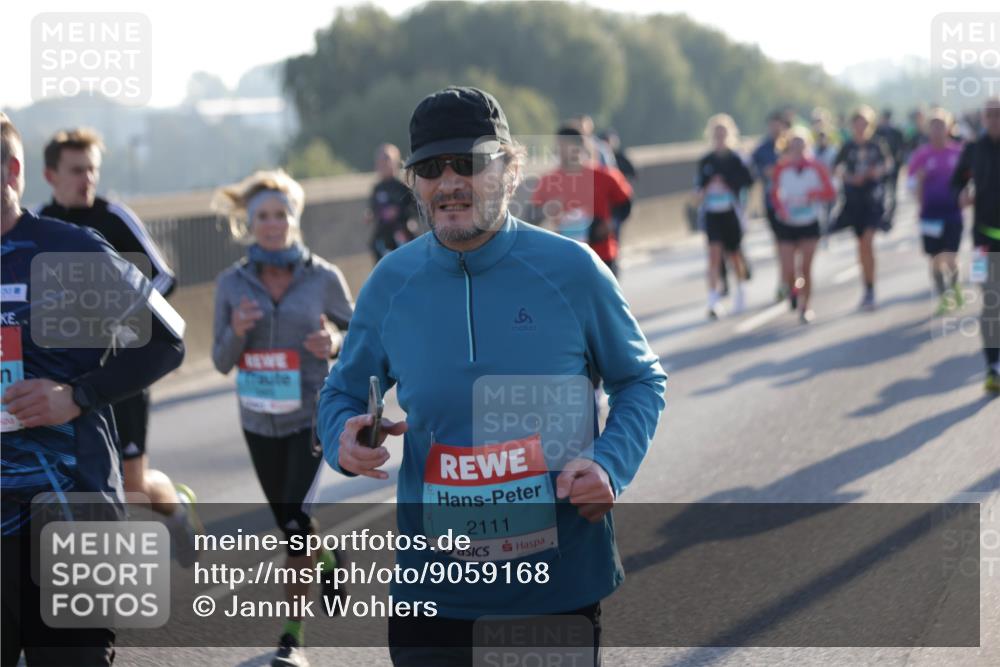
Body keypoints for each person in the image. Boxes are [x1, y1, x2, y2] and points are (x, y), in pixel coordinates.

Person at [317, 86, 667, 666]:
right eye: (431, 168)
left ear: (510, 168)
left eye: (471, 163)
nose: (449, 182)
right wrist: (341, 437)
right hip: (432, 593)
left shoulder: (572, 270)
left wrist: (609, 463)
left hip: (554, 585)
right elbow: (342, 393)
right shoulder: (391, 282)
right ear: (413, 182)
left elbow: (641, 380)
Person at [2, 112, 185, 666]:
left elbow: (167, 340)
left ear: (11, 171)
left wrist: (74, 395)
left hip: (72, 508)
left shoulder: (69, 250)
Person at [211, 169, 354, 666]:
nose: (272, 224)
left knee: (295, 526)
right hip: (257, 422)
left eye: (281, 214)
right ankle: (331, 559)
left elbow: (359, 337)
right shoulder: (232, 283)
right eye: (262, 216)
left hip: (311, 417)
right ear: (249, 223)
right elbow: (220, 361)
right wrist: (236, 330)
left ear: (294, 218)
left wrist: (333, 343)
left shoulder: (323, 277)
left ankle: (291, 639)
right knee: (292, 527)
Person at [34, 128, 200, 548]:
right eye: (76, 170)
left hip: (122, 369)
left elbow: (164, 276)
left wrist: (115, 315)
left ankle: (177, 506)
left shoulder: (114, 218)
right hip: (67, 373)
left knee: (134, 485)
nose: (87, 179)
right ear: (50, 174)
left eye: (92, 170)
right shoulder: (38, 223)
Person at [529, 126, 634, 276]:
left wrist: (611, 224)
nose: (559, 150)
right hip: (567, 256)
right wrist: (547, 209)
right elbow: (530, 217)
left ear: (579, 146)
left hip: (602, 255)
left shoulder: (605, 176)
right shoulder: (548, 180)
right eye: (558, 145)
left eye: (564, 145)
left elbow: (625, 204)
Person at [952, 96, 1000, 395]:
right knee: (991, 300)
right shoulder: (973, 149)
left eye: (999, 115)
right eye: (990, 116)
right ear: (983, 119)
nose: (994, 120)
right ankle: (993, 365)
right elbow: (957, 181)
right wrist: (962, 193)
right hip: (984, 236)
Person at [770, 127, 836, 323]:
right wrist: (781, 208)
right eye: (794, 144)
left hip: (809, 221)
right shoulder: (781, 168)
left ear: (807, 145)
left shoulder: (816, 167)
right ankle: (794, 289)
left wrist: (813, 195)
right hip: (787, 222)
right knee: (789, 269)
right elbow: (774, 194)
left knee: (805, 268)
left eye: (801, 144)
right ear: (788, 146)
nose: (798, 148)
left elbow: (830, 193)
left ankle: (805, 306)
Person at [832, 105, 893, 311]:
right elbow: (836, 169)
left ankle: (871, 287)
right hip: (854, 199)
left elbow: (888, 164)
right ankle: (867, 286)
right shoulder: (847, 146)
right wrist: (850, 177)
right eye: (857, 124)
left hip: (872, 199)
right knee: (861, 246)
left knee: (868, 241)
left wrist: (875, 172)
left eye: (864, 124)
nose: (860, 128)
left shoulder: (877, 145)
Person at [696, 113, 755, 318]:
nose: (720, 137)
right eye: (716, 133)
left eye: (723, 133)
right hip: (712, 213)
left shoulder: (736, 158)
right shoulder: (706, 161)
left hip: (731, 212)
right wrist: (706, 187)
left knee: (734, 254)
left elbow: (748, 181)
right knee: (713, 256)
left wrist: (727, 183)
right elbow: (698, 188)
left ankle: (740, 290)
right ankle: (713, 299)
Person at [907, 109, 965, 315]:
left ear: (949, 128)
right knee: (935, 258)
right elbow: (910, 182)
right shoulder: (921, 155)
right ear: (928, 130)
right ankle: (943, 296)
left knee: (950, 255)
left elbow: (969, 180)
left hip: (952, 212)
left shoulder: (958, 153)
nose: (938, 130)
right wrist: (918, 188)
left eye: (941, 126)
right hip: (929, 214)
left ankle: (955, 285)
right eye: (934, 126)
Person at [752, 111, 791, 302]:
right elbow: (758, 172)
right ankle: (785, 282)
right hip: (773, 203)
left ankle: (794, 281)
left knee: (797, 247)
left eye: (779, 125)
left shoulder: (794, 145)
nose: (775, 129)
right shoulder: (761, 150)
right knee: (782, 245)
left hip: (796, 203)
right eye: (772, 124)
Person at [367, 143, 418, 264]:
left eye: (386, 160)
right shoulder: (377, 188)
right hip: (383, 235)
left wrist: (398, 212)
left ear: (395, 162)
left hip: (401, 233)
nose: (383, 164)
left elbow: (415, 209)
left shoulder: (402, 187)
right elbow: (373, 208)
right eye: (380, 161)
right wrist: (371, 214)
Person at [875, 109, 905, 227]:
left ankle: (890, 216)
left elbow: (901, 148)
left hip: (894, 167)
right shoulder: (878, 131)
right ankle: (882, 215)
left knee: (892, 192)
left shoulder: (896, 132)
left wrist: (897, 163)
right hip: (882, 167)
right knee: (882, 191)